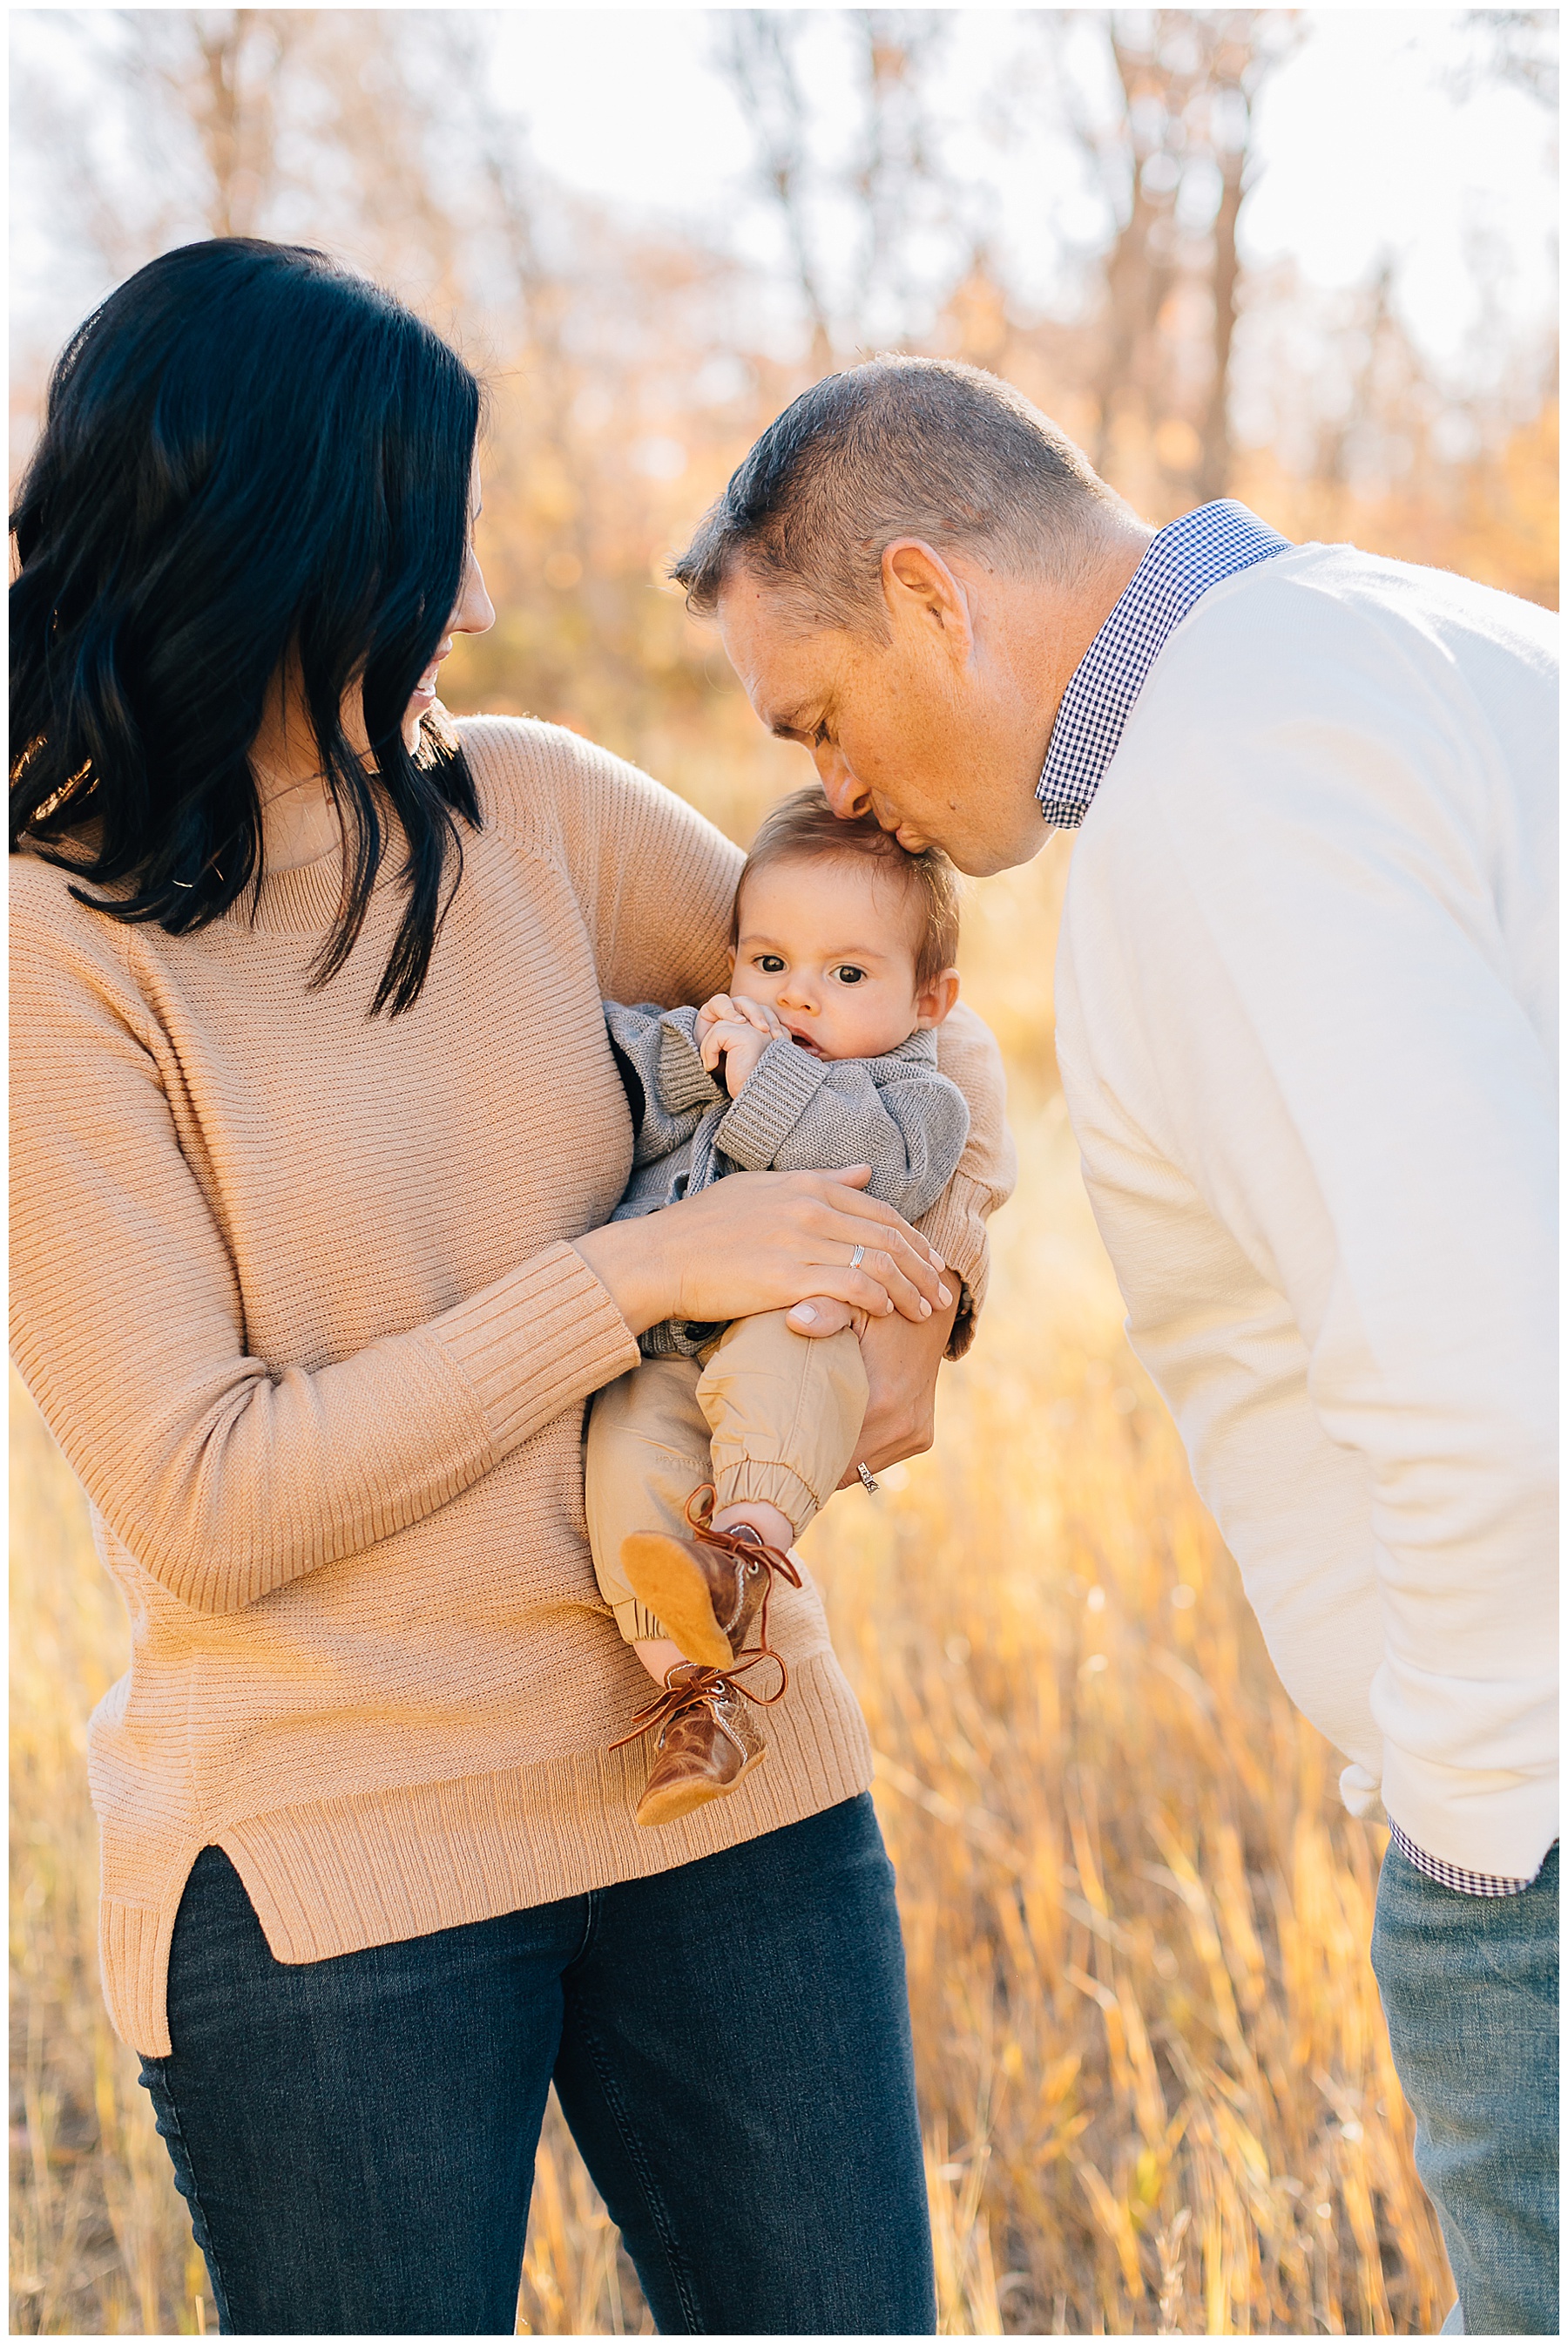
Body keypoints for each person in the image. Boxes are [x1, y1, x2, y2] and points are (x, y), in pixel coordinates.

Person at [9, 249, 1017, 2336]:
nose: (469, 604)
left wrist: (922, 1295)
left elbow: (908, 1011)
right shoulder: (55, 957)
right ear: (287, 543)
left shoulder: (535, 810)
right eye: (427, 540)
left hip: (729, 1786)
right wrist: (638, 1273)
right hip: (334, 1872)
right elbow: (206, 1493)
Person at [672, 355, 1558, 2337]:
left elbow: (1486, 1383)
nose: (835, 792)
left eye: (820, 717)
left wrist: (1480, 1840)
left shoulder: (1223, 785)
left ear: (930, 596)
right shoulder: (1417, 637)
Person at [587, 784, 970, 1824]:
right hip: (662, 1346)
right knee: (623, 1457)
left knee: (785, 1369)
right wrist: (688, 1047)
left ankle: (742, 1550)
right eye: (768, 963)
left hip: (791, 1318)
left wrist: (764, 1080)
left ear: (928, 1001)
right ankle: (699, 1704)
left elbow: (878, 1167)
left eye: (846, 974)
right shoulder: (723, 1046)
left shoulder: (917, 1101)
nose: (797, 998)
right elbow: (606, 1076)